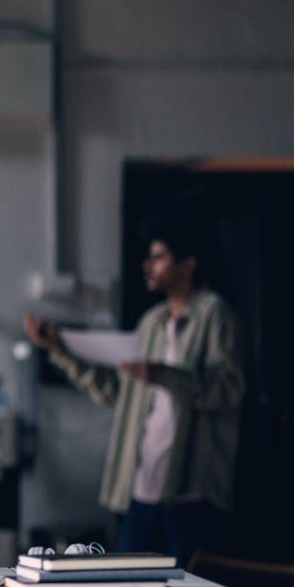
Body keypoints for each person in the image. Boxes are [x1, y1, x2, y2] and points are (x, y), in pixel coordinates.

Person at [24, 215, 244, 563]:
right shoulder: (152, 322)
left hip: (191, 492)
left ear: (188, 263)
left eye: (159, 257)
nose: (147, 265)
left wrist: (163, 375)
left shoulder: (214, 315)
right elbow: (117, 391)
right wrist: (59, 351)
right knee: (130, 584)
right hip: (141, 489)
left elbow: (228, 390)